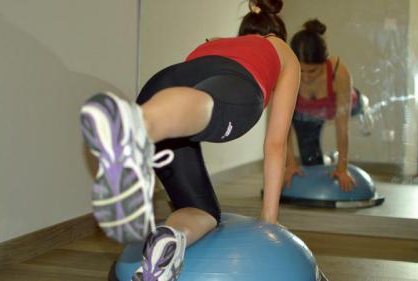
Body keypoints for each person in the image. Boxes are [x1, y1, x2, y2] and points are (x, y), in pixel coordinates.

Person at [79, 0, 300, 280]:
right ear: (278, 33)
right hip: (228, 88)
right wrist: (270, 222)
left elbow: (190, 95)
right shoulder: (282, 50)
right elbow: (275, 144)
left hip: (161, 87)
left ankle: (170, 241)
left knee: (202, 209)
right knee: (198, 107)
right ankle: (139, 126)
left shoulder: (214, 43)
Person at [284, 19, 357, 192]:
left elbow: (342, 128)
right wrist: (290, 164)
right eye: (301, 70)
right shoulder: (286, 73)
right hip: (306, 114)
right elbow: (281, 126)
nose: (306, 77)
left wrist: (342, 168)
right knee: (311, 164)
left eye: (313, 71)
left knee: (358, 104)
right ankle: (328, 158)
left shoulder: (339, 73)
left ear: (325, 62)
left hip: (340, 105)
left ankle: (365, 105)